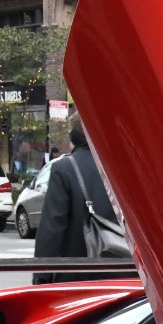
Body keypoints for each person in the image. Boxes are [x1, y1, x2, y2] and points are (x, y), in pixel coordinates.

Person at [34, 114, 121, 283]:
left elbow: (52, 228)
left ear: (73, 136)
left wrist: (42, 276)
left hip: (78, 273)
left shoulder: (65, 168)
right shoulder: (122, 165)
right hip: (125, 271)